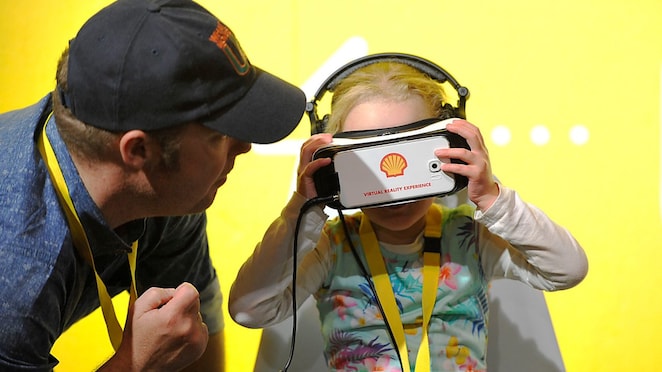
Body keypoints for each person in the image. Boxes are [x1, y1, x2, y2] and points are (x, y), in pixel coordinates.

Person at [0, 0, 306, 370]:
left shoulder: (165, 192)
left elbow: (193, 336)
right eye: (218, 136)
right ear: (139, 150)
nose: (244, 146)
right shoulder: (18, 274)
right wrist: (134, 364)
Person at [228, 58, 589, 371]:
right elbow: (248, 311)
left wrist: (492, 197)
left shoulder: (471, 239)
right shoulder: (330, 248)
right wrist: (302, 211)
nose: (392, 186)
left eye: (411, 157)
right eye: (369, 162)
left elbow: (567, 269)